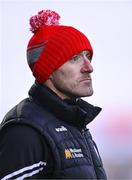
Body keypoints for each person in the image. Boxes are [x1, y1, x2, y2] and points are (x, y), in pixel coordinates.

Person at [0, 10, 107, 179]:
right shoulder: (25, 131)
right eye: (74, 58)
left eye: (88, 56)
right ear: (48, 70)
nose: (89, 67)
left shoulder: (75, 122)